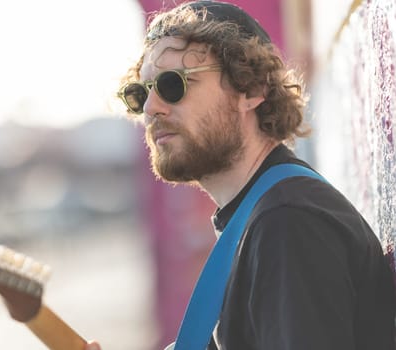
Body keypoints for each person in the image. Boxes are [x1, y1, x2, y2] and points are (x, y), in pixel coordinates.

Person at [87, 1, 396, 349]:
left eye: (173, 85)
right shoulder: (260, 219)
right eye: (139, 94)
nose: (150, 108)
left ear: (251, 89)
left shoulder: (286, 223)